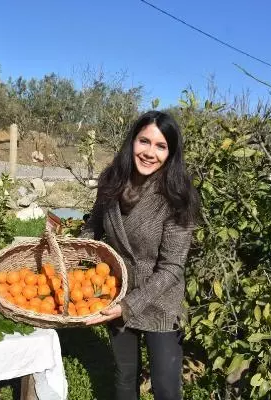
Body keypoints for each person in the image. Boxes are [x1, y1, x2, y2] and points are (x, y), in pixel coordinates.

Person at [80, 110, 200, 400]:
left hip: (159, 299)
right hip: (116, 290)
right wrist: (81, 258)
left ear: (171, 153)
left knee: (166, 385)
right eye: (144, 141)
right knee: (124, 377)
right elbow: (93, 227)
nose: (150, 153)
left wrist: (129, 305)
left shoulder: (177, 196)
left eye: (161, 146)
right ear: (132, 141)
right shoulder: (112, 181)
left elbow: (172, 268)